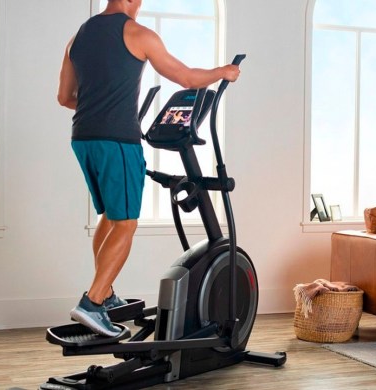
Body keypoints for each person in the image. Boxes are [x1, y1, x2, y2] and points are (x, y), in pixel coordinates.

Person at [57, 0, 240, 337]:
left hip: (83, 137)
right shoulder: (138, 34)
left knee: (111, 217)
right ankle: (92, 303)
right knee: (126, 223)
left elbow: (65, 97)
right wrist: (223, 72)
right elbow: (186, 77)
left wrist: (100, 102)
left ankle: (106, 293)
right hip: (118, 140)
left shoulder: (78, 37)